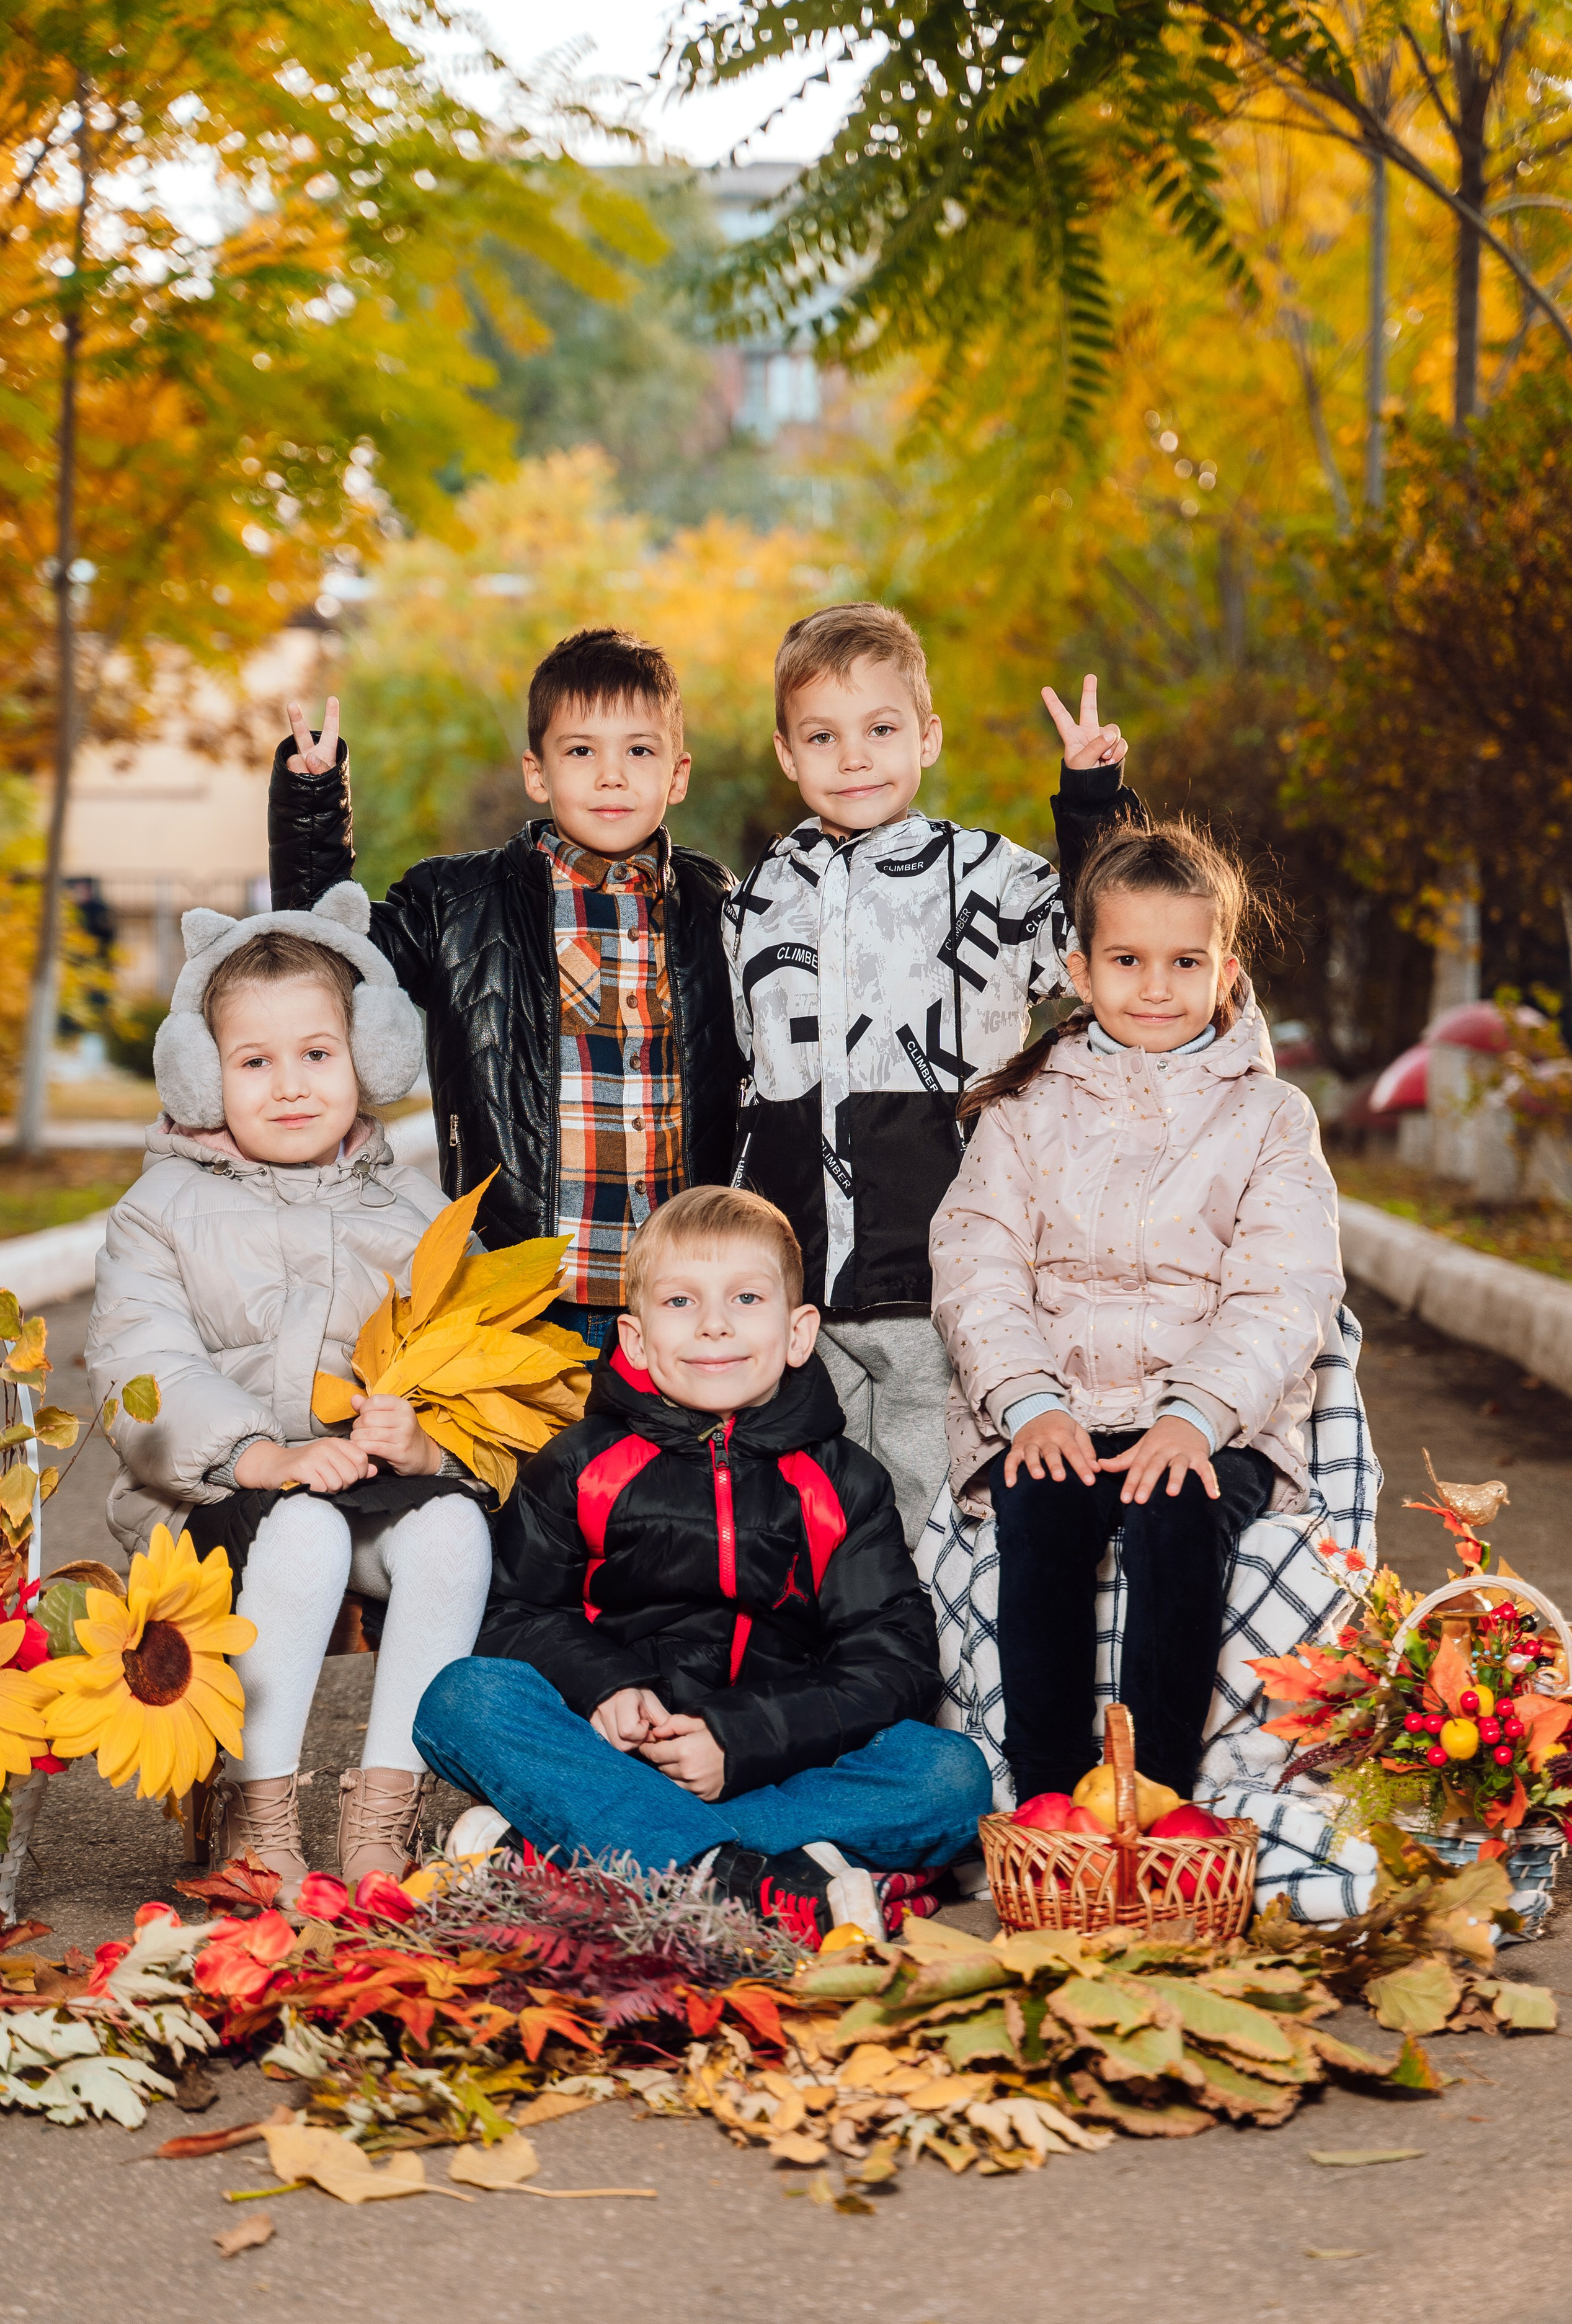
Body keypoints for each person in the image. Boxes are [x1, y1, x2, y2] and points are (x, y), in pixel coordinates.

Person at [412, 1186, 993, 1945]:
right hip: (614, 1751)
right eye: (680, 1302)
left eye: (745, 1298)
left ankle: (577, 1852)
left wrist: (739, 1739)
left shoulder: (845, 1481)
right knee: (461, 1698)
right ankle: (740, 1876)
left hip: (774, 1764)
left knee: (949, 1778)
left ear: (797, 1333)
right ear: (637, 1339)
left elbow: (891, 1662)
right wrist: (604, 1686)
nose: (714, 1324)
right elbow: (516, 1617)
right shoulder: (577, 1463)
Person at [86, 888, 495, 1890]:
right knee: (301, 1529)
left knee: (454, 1532)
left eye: (318, 1054)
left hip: (367, 1485)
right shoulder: (162, 1210)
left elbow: (472, 1349)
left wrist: (427, 1441)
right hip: (214, 1503)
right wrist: (254, 1454)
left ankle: (383, 1806)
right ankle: (260, 1808)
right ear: (199, 1074)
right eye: (253, 1062)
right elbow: (141, 1363)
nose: (291, 1086)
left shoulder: (412, 1208)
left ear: (368, 1056)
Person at [928, 822, 1345, 1805]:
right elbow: (976, 1262)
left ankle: (1152, 1800)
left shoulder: (1269, 1117)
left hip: (1213, 1413)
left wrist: (1195, 1415)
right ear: (1079, 969)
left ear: (1225, 971)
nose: (1155, 987)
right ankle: (1046, 1800)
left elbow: (1285, 1289)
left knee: (1175, 1510)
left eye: (1184, 962)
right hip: (1057, 1399)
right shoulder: (1026, 1108)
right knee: (1045, 1507)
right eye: (1127, 960)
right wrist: (1028, 1402)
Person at [721, 602, 1143, 1545]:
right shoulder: (753, 900)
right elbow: (741, 1076)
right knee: (810, 1517)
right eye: (823, 737)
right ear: (787, 754)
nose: (854, 757)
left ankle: (943, 1689)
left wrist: (1093, 801)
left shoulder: (986, 876)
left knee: (941, 1509)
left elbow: (1105, 935)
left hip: (946, 1273)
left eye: (881, 730)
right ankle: (837, 1681)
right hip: (801, 1291)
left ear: (928, 737)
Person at [269, 626, 743, 1354]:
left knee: (669, 1471)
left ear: (676, 776)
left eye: (638, 751)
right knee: (530, 1471)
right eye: (581, 751)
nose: (610, 775)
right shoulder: (457, 904)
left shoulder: (718, 907)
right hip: (519, 1295)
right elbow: (329, 953)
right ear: (537, 772)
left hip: (681, 1300)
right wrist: (312, 808)